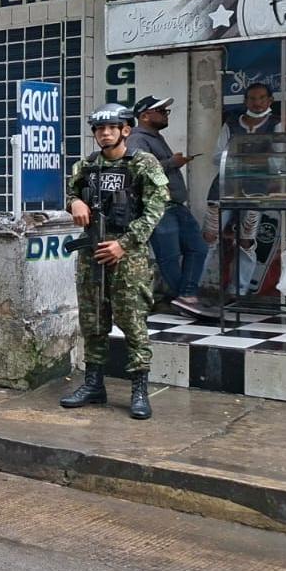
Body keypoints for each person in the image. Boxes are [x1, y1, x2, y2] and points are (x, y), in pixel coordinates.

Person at [60, 104, 170, 420]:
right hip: (92, 252)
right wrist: (75, 201)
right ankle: (94, 384)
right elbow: (70, 193)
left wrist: (124, 244)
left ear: (126, 130)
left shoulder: (142, 164)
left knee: (133, 321)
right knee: (93, 320)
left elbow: (155, 211)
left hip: (128, 256)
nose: (104, 133)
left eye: (112, 127)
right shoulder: (86, 165)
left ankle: (139, 390)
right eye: (99, 129)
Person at [127, 96, 209, 318]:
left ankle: (186, 295)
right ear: (144, 116)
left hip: (175, 206)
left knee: (198, 247)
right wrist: (173, 162)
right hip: (158, 207)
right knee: (169, 255)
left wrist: (173, 162)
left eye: (165, 111)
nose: (165, 114)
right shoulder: (137, 140)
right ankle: (185, 297)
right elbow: (138, 172)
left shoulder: (154, 137)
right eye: (161, 111)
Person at [206, 83, 285, 295]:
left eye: (261, 98)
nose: (257, 102)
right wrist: (257, 159)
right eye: (252, 98)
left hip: (256, 191)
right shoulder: (231, 124)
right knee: (209, 236)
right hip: (222, 189)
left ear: (270, 101)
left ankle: (238, 290)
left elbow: (278, 162)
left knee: (247, 240)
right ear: (245, 101)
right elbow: (217, 156)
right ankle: (196, 287)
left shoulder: (276, 124)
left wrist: (239, 157)